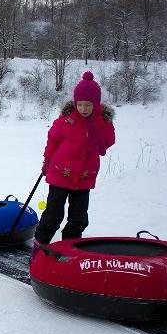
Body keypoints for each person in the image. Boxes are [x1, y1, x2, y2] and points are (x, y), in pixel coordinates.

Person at [33, 71, 115, 252]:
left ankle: (70, 251)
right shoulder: (65, 121)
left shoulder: (102, 122)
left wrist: (102, 122)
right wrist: (46, 161)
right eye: (80, 104)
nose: (84, 108)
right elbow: (52, 141)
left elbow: (107, 143)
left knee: (78, 219)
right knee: (53, 216)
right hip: (60, 174)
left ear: (96, 104)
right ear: (75, 103)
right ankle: (39, 249)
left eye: (88, 105)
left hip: (84, 178)